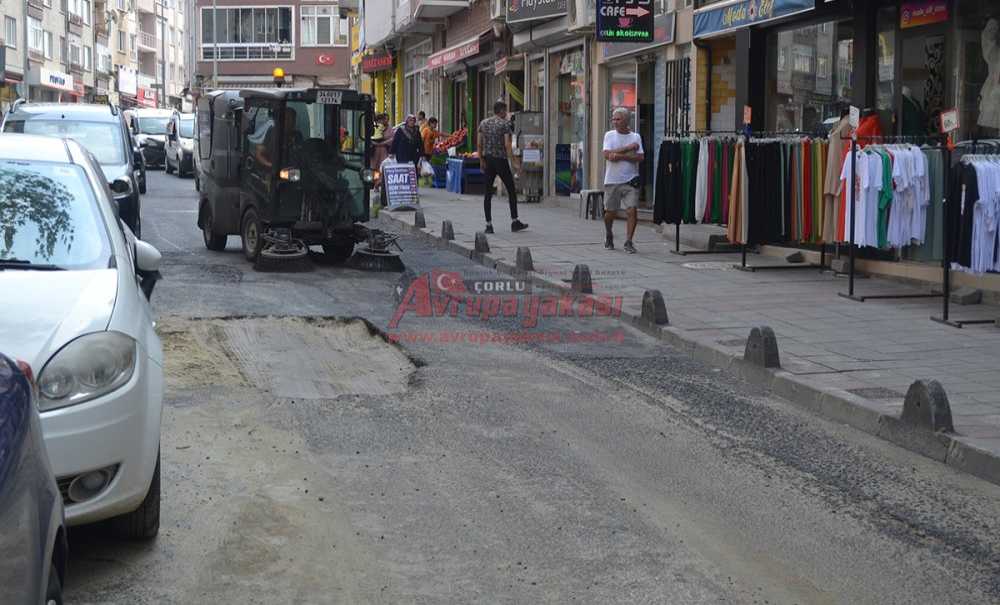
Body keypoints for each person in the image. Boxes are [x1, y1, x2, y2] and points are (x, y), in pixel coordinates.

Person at [478, 101, 527, 233]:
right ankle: (514, 221)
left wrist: (481, 159)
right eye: (505, 111)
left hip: (488, 160)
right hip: (500, 160)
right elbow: (507, 145)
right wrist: (514, 162)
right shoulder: (504, 124)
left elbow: (479, 143)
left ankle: (488, 225)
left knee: (487, 193)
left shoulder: (483, 123)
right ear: (501, 111)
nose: (506, 113)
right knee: (511, 190)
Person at [602, 107, 644, 253]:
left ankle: (629, 241)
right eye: (613, 119)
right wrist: (628, 148)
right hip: (612, 180)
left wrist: (620, 156)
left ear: (626, 120)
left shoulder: (636, 137)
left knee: (632, 210)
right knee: (610, 212)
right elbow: (607, 155)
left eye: (618, 119)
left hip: (631, 180)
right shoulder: (609, 135)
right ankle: (609, 234)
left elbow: (640, 157)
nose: (615, 122)